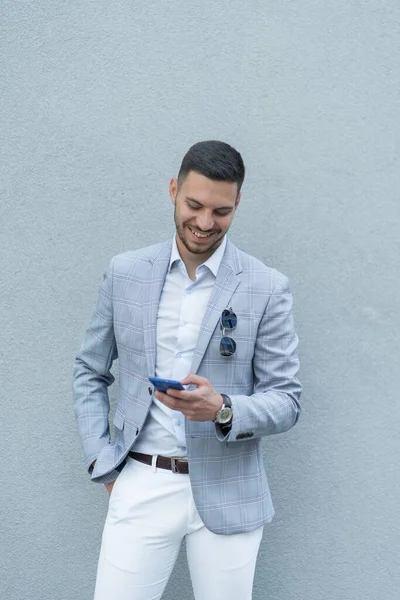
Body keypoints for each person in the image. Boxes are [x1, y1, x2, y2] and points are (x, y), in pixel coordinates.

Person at [73, 140, 301, 600]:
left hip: (230, 491)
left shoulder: (267, 286)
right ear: (174, 190)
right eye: (194, 205)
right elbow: (89, 370)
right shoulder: (125, 272)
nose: (204, 223)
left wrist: (223, 409)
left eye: (221, 212)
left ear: (238, 203)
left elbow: (287, 400)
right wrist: (103, 461)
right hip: (140, 480)